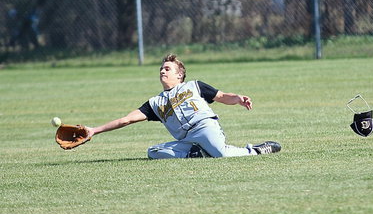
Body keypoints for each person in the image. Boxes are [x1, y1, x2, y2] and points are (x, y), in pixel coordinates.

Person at [86, 54, 281, 159]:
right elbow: (126, 120)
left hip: (205, 128)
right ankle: (196, 153)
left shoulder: (194, 86)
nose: (163, 70)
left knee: (221, 154)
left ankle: (254, 150)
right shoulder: (155, 103)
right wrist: (94, 130)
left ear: (179, 75)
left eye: (167, 68)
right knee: (153, 152)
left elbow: (221, 96)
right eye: (161, 68)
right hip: (187, 140)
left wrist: (237, 98)